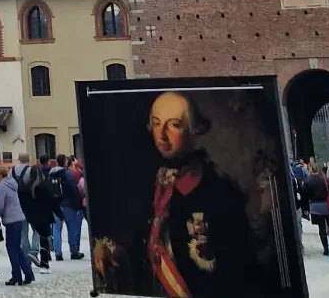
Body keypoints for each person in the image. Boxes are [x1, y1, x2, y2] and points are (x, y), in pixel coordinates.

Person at [93, 91, 254, 297]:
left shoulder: (219, 193)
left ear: (193, 130)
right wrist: (112, 252)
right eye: (157, 123)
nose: (162, 135)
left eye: (174, 125)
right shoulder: (149, 186)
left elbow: (237, 270)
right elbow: (139, 248)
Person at [0, 163, 34, 286]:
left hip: (11, 220)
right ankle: (28, 273)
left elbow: (0, 206)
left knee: (11, 248)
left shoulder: (2, 187)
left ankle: (16, 276)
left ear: (0, 174)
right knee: (17, 248)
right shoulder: (11, 183)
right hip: (19, 217)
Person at [48, 154, 84, 261]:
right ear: (64, 162)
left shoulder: (51, 174)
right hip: (68, 205)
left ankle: (58, 253)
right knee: (71, 228)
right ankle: (73, 252)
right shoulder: (68, 174)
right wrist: (77, 206)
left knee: (56, 229)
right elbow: (74, 190)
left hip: (55, 205)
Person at [304, 167, 329, 256]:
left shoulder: (308, 180)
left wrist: (306, 208)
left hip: (315, 206)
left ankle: (325, 249)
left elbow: (305, 195)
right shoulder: (324, 179)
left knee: (321, 227)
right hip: (327, 205)